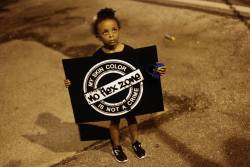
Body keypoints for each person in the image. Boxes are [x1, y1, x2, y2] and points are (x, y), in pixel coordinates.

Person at [64, 8, 166, 163]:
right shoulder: (97, 56)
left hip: (128, 95)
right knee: (114, 122)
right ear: (98, 36)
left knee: (132, 119)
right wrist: (72, 83)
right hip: (112, 98)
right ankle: (116, 146)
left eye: (114, 30)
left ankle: (135, 142)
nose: (111, 35)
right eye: (105, 32)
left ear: (119, 30)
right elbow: (87, 78)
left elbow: (142, 68)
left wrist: (156, 70)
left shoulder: (129, 51)